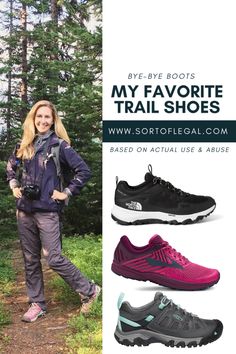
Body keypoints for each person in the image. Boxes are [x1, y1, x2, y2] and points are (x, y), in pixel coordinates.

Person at [6, 100, 101, 323]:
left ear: (53, 120)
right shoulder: (24, 143)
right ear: (33, 118)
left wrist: (66, 192)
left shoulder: (60, 145)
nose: (43, 121)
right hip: (24, 212)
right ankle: (37, 303)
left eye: (47, 117)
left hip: (48, 211)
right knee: (30, 259)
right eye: (39, 117)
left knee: (54, 258)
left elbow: (83, 171)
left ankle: (90, 291)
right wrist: (13, 185)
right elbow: (11, 167)